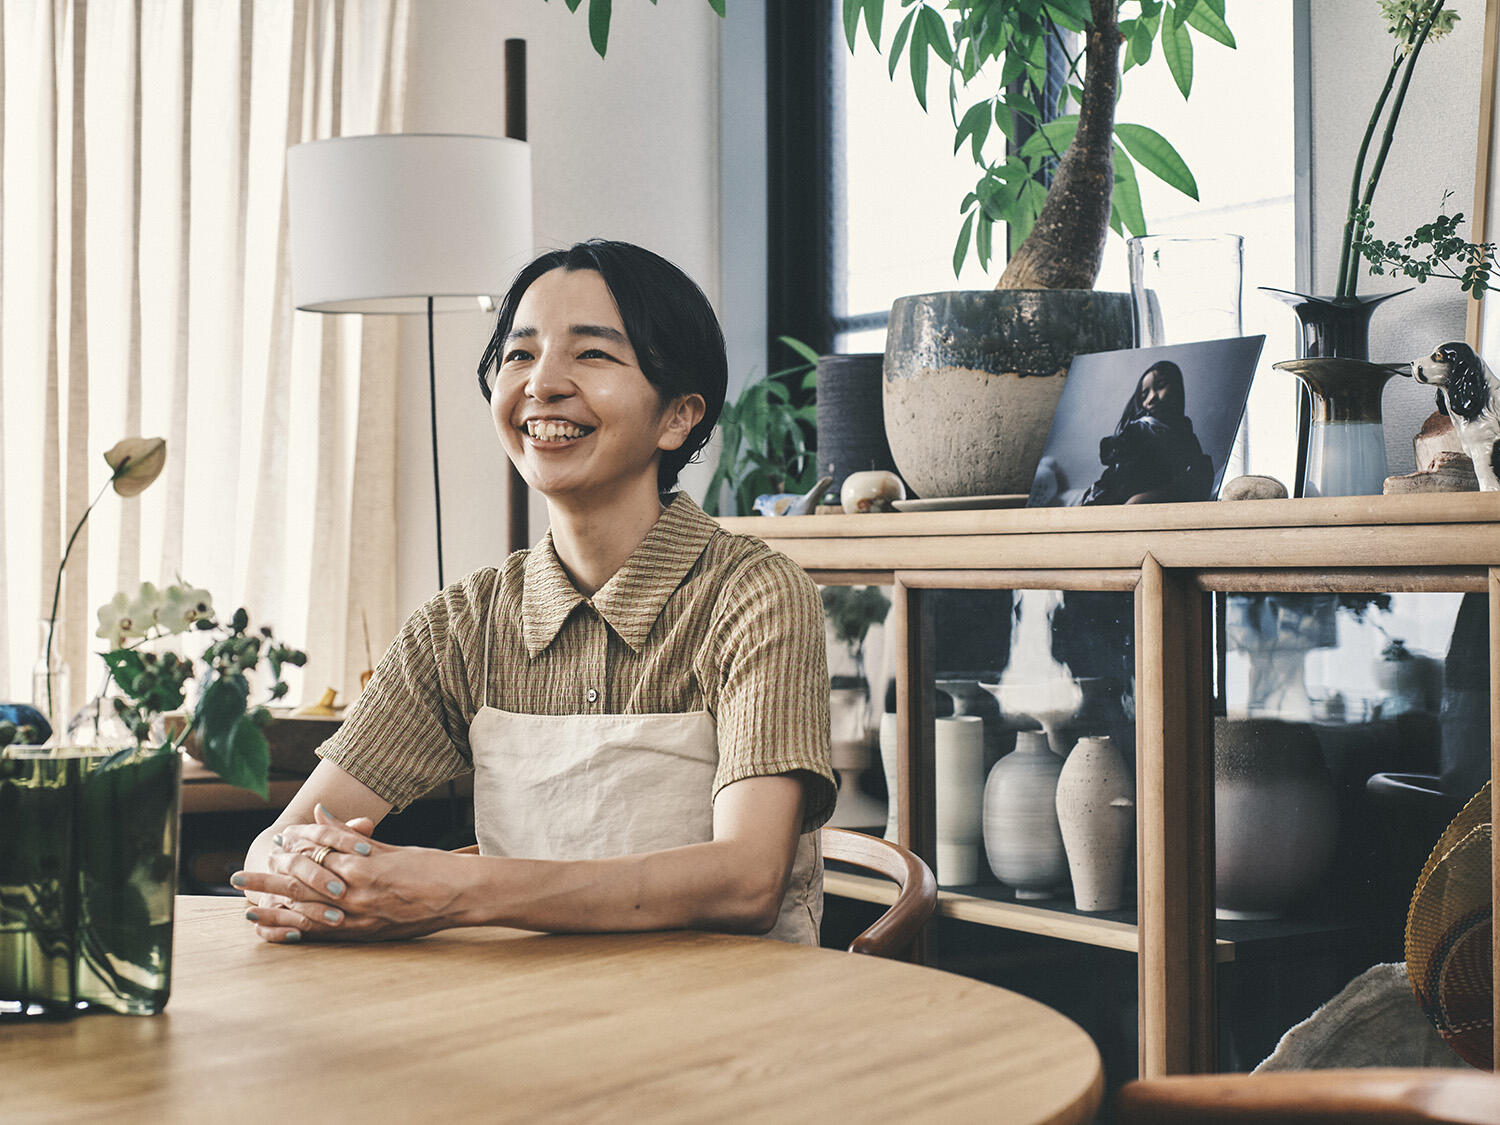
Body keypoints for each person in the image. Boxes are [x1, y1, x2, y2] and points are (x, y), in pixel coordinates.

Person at [232, 240, 836, 945]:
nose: (541, 384)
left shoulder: (755, 595)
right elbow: (277, 848)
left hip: (734, 1032)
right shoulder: (462, 624)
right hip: (527, 1024)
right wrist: (316, 872)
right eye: (519, 354)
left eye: (592, 354)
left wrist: (454, 889)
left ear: (678, 416)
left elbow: (746, 881)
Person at [1079, 359, 1214, 506]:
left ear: (1177, 388)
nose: (1151, 398)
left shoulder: (1185, 432)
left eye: (1160, 386)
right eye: (1144, 395)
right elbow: (1115, 471)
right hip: (1111, 497)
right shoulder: (1140, 429)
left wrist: (1148, 497)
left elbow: (1197, 476)